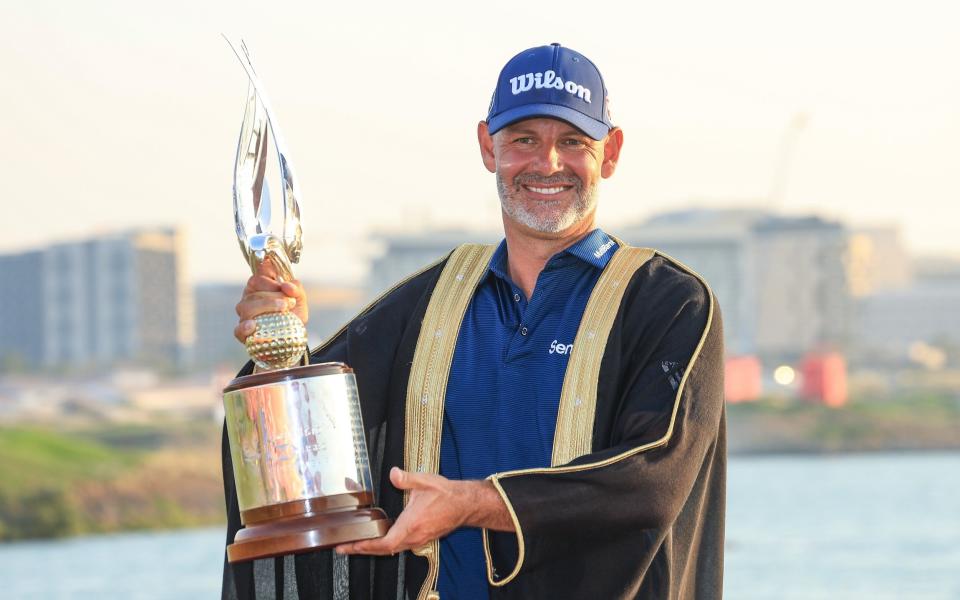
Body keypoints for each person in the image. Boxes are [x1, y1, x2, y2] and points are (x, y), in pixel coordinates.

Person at [223, 43, 726, 600]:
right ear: (488, 146)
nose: (547, 164)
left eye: (573, 142)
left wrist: (475, 504)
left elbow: (652, 477)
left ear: (611, 154)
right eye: (523, 140)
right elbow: (314, 446)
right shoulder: (427, 302)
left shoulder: (668, 303)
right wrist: (279, 347)